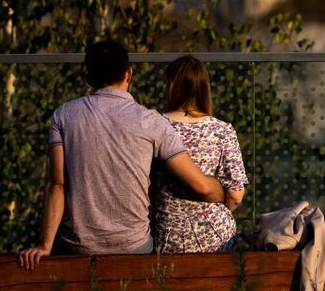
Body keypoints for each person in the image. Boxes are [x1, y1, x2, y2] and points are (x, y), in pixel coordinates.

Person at [18, 40, 226, 268]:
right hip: (134, 247)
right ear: (129, 74)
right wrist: (221, 193)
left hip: (77, 246)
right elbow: (202, 187)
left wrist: (44, 245)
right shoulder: (152, 121)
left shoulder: (64, 115)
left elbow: (57, 185)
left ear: (89, 78)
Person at [153, 55, 249, 252]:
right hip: (216, 237)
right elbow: (236, 195)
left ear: (171, 85)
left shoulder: (154, 124)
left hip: (167, 236)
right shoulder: (222, 129)